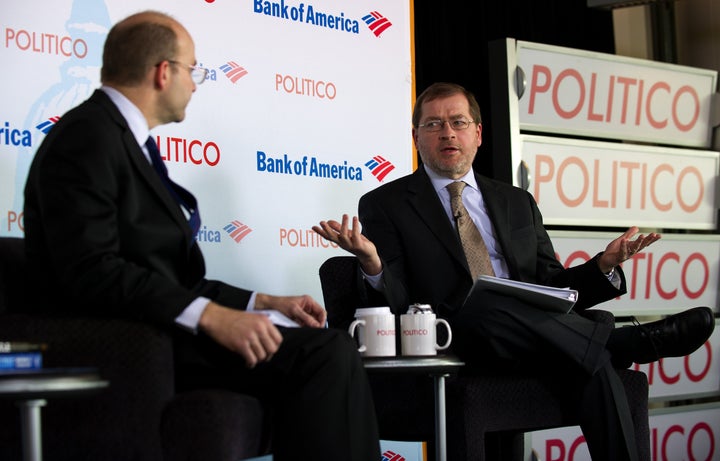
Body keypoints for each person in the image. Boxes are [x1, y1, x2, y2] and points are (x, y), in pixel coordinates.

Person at [23, 11, 380, 461]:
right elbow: (91, 271)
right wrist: (210, 316)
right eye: (193, 70)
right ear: (162, 71)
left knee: (330, 346)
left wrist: (263, 304)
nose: (195, 84)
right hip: (129, 341)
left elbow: (166, 279)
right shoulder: (87, 137)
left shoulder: (127, 141)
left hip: (160, 328)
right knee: (325, 353)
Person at [314, 82, 715, 461]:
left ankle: (609, 345)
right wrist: (373, 263)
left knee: (589, 356)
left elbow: (554, 287)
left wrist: (603, 265)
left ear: (478, 133)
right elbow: (397, 300)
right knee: (493, 302)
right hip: (452, 336)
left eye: (458, 122)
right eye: (433, 124)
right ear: (416, 137)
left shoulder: (516, 201)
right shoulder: (386, 203)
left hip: (526, 339)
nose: (447, 133)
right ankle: (621, 342)